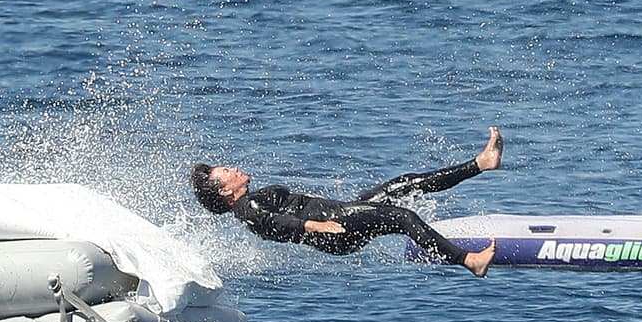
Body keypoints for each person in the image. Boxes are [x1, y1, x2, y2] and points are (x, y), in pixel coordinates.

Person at [190, 126, 503, 277]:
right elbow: (276, 224)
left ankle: (482, 162)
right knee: (404, 217)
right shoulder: (246, 208)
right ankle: (468, 261)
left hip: (337, 219)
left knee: (405, 184)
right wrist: (317, 225)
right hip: (333, 225)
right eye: (226, 172)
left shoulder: (247, 205)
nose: (232, 168)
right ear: (225, 192)